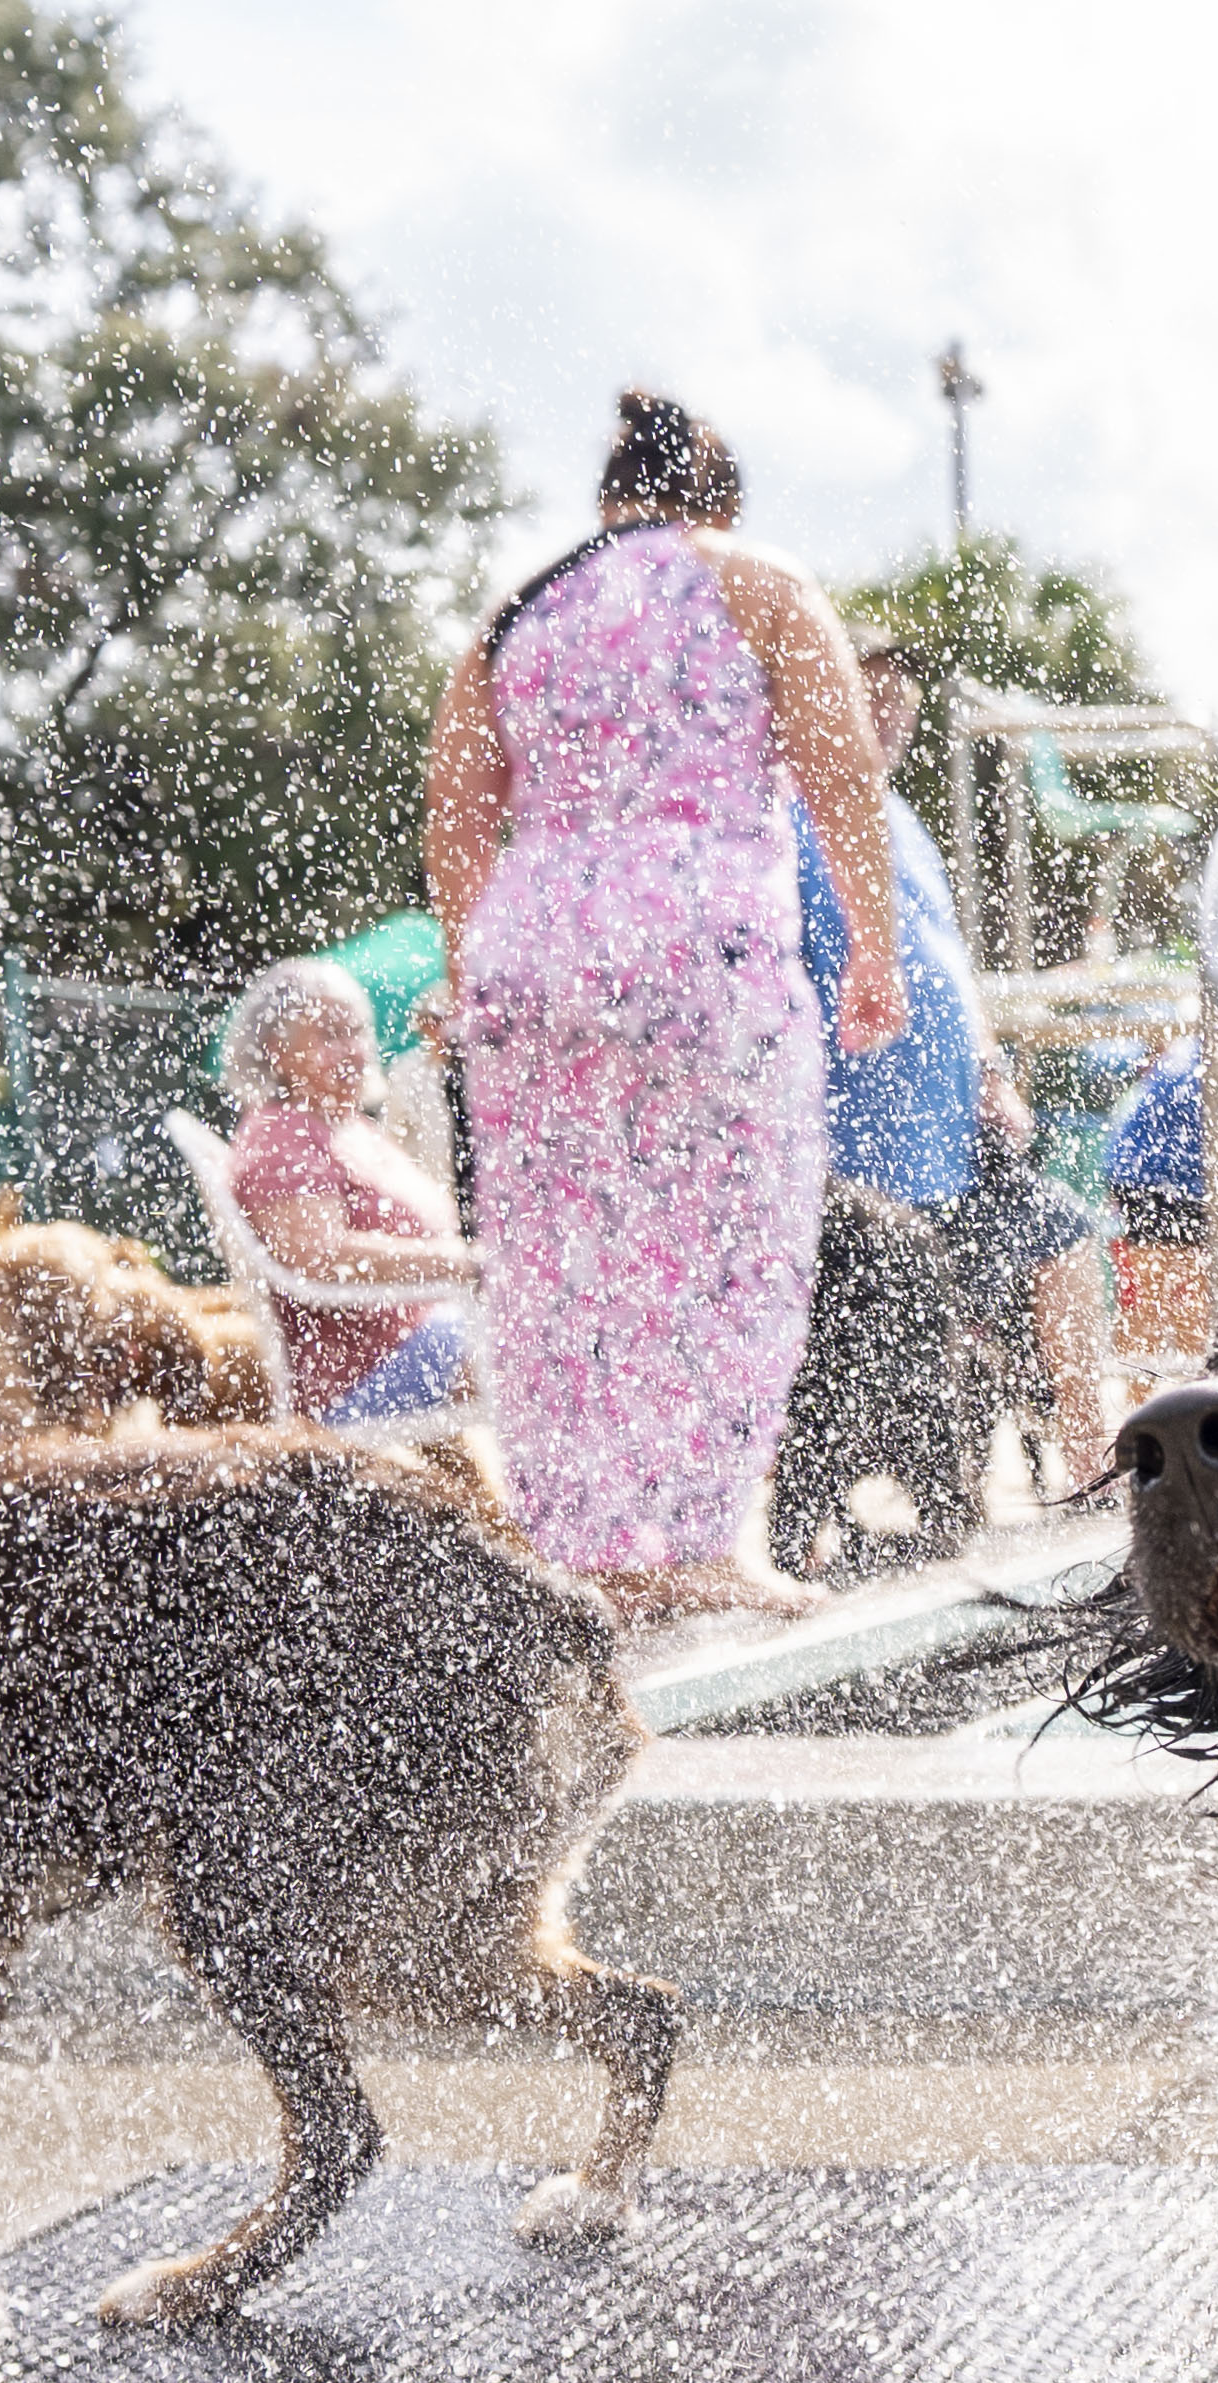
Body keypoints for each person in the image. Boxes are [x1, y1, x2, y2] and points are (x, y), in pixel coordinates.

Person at [422, 388, 906, 1626]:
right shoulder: (753, 580)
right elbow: (843, 772)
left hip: (534, 952)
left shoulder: (517, 614)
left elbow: (458, 815)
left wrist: (472, 962)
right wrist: (875, 946)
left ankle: (583, 1549)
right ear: (718, 500)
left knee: (562, 1258)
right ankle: (697, 1542)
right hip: (700, 947)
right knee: (728, 1247)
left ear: (608, 499)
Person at [795, 628, 1118, 1492]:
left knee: (1067, 1239)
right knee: (895, 1324)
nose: (892, 710)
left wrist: (992, 1067)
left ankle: (1094, 1465)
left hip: (951, 1146)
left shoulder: (900, 820)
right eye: (869, 694)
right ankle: (894, 1505)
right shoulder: (784, 814)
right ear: (819, 702)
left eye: (900, 696)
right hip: (854, 1168)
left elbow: (948, 963)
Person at [216, 956, 484, 1423]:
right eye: (331, 1035)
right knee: (543, 1341)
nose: (355, 1051)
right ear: (277, 1053)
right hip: (360, 1375)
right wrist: (466, 1263)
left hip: (419, 1338)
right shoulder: (282, 1137)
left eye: (359, 1031)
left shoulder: (344, 1125)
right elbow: (323, 1256)